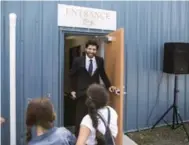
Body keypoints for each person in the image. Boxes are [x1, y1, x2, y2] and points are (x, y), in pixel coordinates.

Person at [69, 40, 116, 137]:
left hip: (95, 93)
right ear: (86, 49)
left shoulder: (100, 60)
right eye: (89, 48)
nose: (91, 51)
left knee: (94, 116)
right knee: (80, 117)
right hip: (81, 93)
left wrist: (109, 86)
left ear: (96, 51)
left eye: (94, 49)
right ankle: (79, 138)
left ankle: (93, 138)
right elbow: (72, 75)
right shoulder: (78, 60)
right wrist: (72, 89)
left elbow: (103, 74)